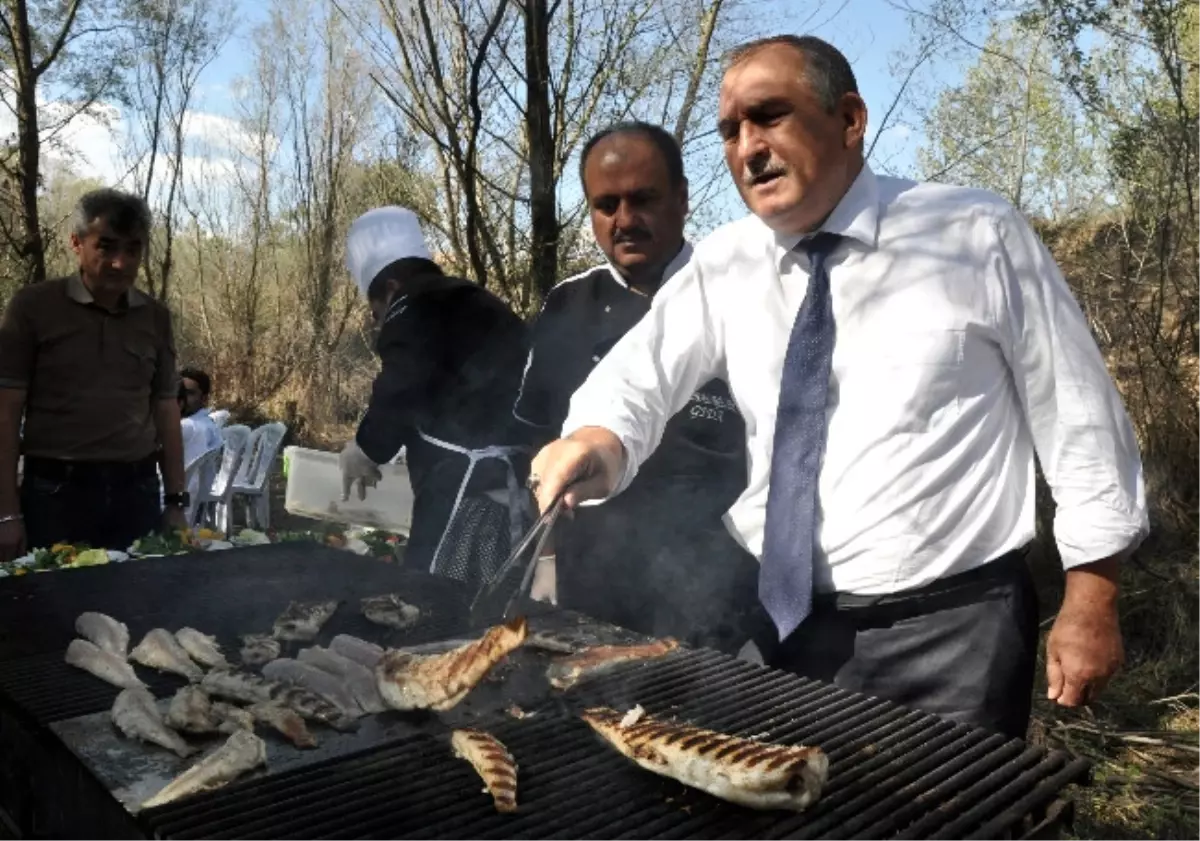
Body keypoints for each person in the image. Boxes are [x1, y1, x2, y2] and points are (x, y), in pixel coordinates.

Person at [527, 34, 1149, 739]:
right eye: (730, 131)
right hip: (778, 623)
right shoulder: (727, 264)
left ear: (850, 118)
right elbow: (638, 377)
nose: (746, 147)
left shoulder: (974, 236)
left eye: (769, 116)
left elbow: (1080, 419)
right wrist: (593, 439)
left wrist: (1091, 596)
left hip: (951, 637)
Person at [514, 121, 761, 653]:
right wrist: (547, 561)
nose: (625, 220)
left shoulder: (744, 295)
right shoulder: (566, 306)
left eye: (643, 199)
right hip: (592, 579)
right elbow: (537, 442)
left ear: (682, 198)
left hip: (715, 588)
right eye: (606, 205)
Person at [339, 206, 533, 590]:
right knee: (497, 604)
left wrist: (366, 447)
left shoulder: (413, 304)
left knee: (437, 601)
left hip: (463, 493)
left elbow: (402, 382)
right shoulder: (475, 299)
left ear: (392, 287)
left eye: (376, 312)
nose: (379, 322)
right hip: (509, 480)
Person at [0, 188, 189, 557]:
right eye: (107, 246)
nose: (121, 262)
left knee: (142, 608)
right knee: (52, 608)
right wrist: (6, 514)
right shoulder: (33, 308)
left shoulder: (155, 317)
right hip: (56, 495)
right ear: (77, 243)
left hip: (137, 493)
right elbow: (6, 414)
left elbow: (166, 410)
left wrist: (177, 501)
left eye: (133, 249)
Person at [179, 367, 222, 468]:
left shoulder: (187, 426)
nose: (182, 398)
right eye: (180, 392)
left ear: (204, 399)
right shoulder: (207, 422)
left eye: (190, 393)